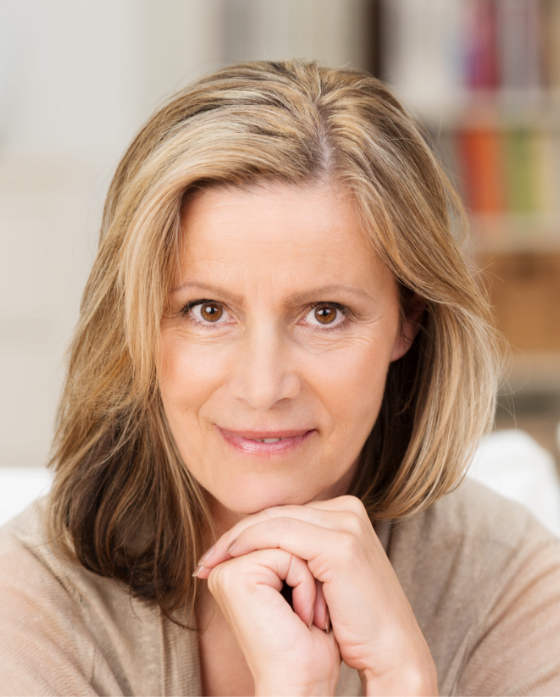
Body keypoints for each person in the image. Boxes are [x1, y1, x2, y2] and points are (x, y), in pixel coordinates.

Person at [1, 59, 559, 696]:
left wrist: (403, 681)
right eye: (206, 311)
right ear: (136, 326)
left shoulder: (504, 582)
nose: (264, 387)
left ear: (408, 322)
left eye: (325, 314)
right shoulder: (34, 606)